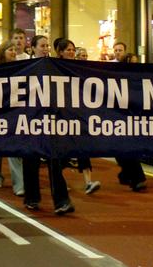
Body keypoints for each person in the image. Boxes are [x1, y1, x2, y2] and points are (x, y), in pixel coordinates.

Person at [23, 34, 74, 215]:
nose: (46, 49)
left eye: (47, 46)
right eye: (42, 46)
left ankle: (61, 201)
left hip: (51, 120)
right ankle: (31, 198)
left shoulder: (54, 66)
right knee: (31, 160)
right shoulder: (25, 68)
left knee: (54, 159)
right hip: (31, 120)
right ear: (33, 48)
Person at [55, 38, 101, 195]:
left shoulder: (79, 68)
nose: (71, 52)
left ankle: (88, 181)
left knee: (83, 147)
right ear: (60, 52)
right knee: (61, 151)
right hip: (61, 115)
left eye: (73, 49)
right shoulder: (54, 67)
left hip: (77, 113)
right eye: (68, 49)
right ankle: (58, 180)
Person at [0, 41, 24, 196]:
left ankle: (20, 184)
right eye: (10, 49)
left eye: (15, 49)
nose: (14, 52)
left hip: (14, 112)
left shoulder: (21, 69)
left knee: (14, 148)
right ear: (3, 52)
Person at [111, 41, 148, 192]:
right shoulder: (112, 72)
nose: (118, 52)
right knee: (118, 148)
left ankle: (136, 177)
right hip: (117, 116)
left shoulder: (139, 76)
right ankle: (127, 174)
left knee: (127, 148)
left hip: (132, 117)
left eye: (121, 50)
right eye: (116, 50)